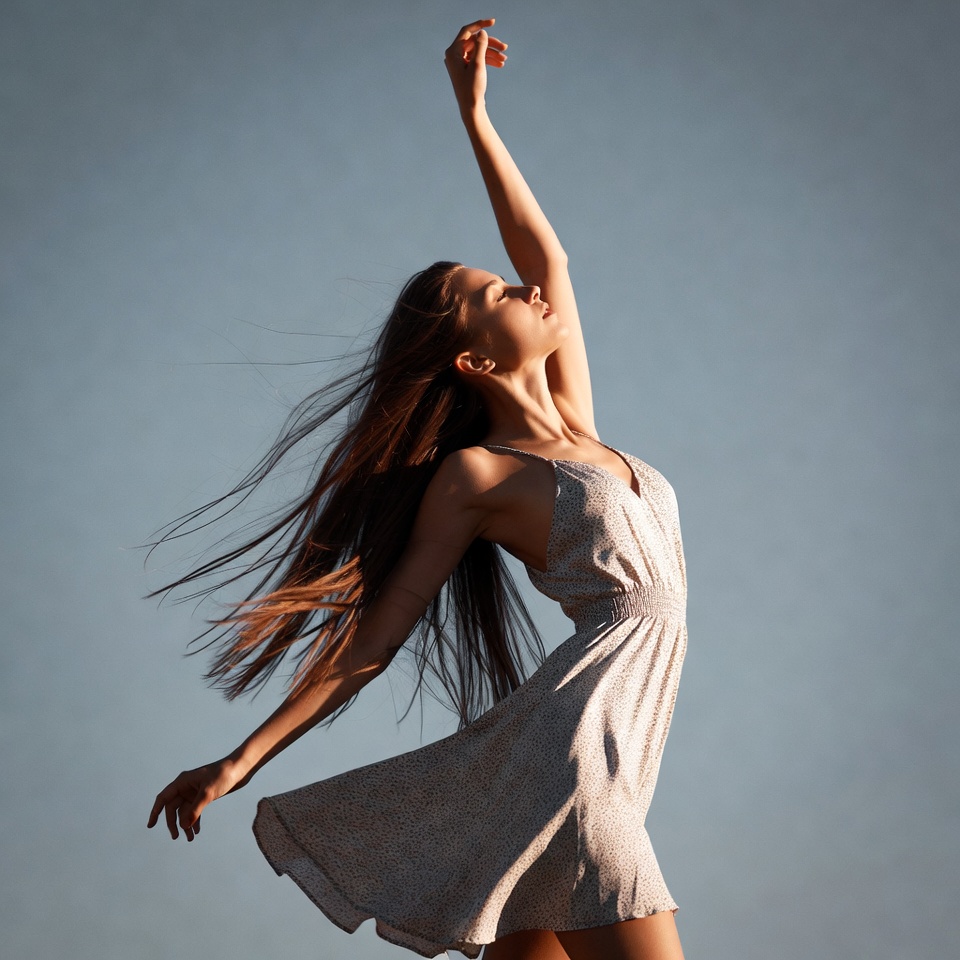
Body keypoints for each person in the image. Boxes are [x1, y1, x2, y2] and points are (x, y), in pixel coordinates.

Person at [148, 18, 688, 960]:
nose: (526, 292)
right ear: (475, 357)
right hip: (578, 770)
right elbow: (376, 635)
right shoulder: (480, 476)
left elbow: (548, 258)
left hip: (605, 764)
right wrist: (242, 759)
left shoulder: (583, 433)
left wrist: (476, 116)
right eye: (494, 295)